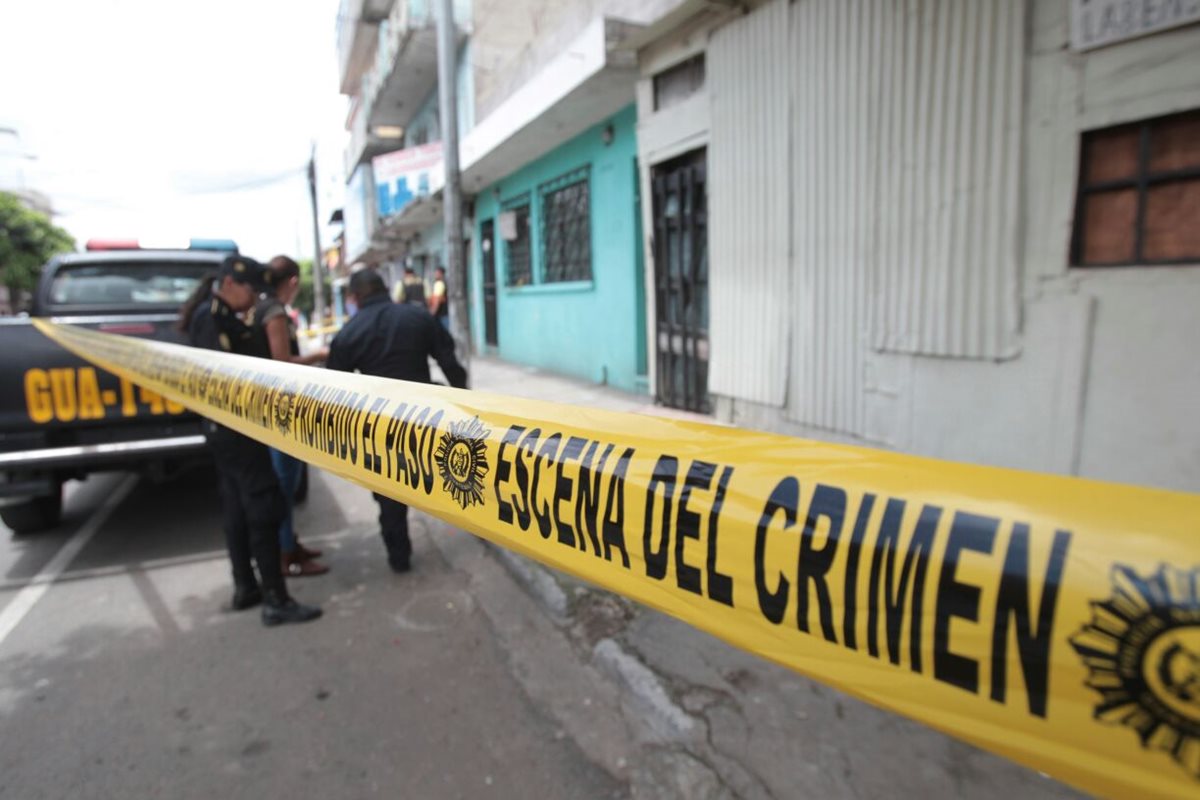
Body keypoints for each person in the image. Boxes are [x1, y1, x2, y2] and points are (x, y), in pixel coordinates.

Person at [178, 255, 322, 627]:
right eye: (251, 289)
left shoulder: (217, 314)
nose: (255, 298)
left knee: (237, 508)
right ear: (230, 283)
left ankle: (246, 586)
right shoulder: (213, 319)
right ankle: (276, 599)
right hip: (235, 428)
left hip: (226, 428)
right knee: (263, 504)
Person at [327, 269, 467, 573]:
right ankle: (470, 527)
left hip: (379, 425)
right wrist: (467, 405)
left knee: (389, 494)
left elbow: (335, 393)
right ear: (386, 288)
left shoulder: (348, 334)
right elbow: (451, 364)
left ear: (354, 298)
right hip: (427, 417)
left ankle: (399, 557)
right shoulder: (417, 318)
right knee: (451, 478)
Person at [253, 255, 330, 578]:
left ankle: (289, 545)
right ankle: (287, 555)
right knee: (284, 488)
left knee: (284, 486)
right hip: (280, 409)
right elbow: (283, 362)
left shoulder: (261, 307)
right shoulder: (274, 312)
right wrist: (318, 355)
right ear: (293, 282)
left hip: (270, 406)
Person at [427, 265, 449, 330]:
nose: (435, 275)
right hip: (443, 313)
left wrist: (432, 312)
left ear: (441, 274)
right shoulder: (444, 282)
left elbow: (437, 300)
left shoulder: (439, 284)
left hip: (440, 313)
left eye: (437, 273)